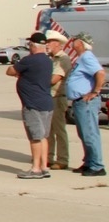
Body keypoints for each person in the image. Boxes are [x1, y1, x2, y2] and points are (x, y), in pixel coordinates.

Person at [7, 32, 54, 178]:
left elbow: (10, 70)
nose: (29, 47)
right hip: (46, 102)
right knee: (44, 136)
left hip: (33, 103)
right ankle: (44, 166)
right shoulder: (48, 60)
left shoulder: (30, 60)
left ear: (33, 45)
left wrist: (19, 74)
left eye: (30, 45)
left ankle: (35, 169)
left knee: (35, 137)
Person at [65, 33, 106, 177]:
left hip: (86, 102)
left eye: (75, 39)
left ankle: (97, 165)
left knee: (90, 134)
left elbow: (100, 73)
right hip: (80, 102)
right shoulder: (82, 57)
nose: (72, 41)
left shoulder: (87, 56)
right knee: (84, 134)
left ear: (81, 43)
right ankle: (89, 162)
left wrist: (95, 92)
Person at [45, 30, 72, 169]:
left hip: (57, 97)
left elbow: (55, 79)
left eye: (49, 42)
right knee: (48, 130)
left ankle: (62, 159)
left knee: (59, 129)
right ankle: (48, 157)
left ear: (58, 44)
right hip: (50, 97)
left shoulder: (63, 59)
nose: (47, 45)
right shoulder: (52, 59)